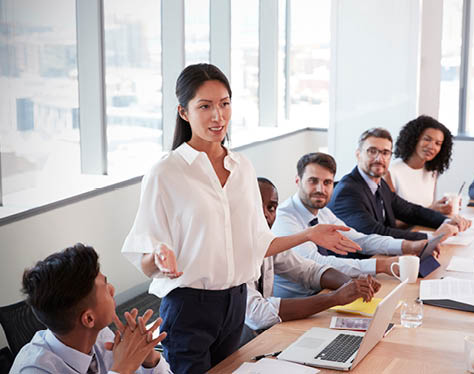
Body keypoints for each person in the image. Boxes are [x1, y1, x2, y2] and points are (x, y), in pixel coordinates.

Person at [120, 63, 360, 373]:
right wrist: (157, 256)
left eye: (224, 104)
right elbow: (145, 261)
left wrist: (309, 235)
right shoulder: (165, 172)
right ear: (184, 112)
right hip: (189, 306)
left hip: (235, 304)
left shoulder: (242, 167)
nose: (217, 116)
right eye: (205, 106)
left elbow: (258, 245)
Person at [272, 152, 439, 298]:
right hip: (298, 305)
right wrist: (380, 265)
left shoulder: (322, 212)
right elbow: (315, 263)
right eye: (313, 181)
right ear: (297, 180)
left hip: (326, 294)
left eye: (327, 183)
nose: (320, 189)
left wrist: (407, 246)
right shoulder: (284, 218)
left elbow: (360, 240)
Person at [241, 177, 380, 343]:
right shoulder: (233, 252)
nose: (265, 214)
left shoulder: (269, 242)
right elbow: (258, 314)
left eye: (271, 208)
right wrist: (334, 298)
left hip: (269, 334)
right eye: (257, 207)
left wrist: (351, 285)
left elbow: (309, 270)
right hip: (242, 341)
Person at [11, 243, 170, 374]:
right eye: (105, 286)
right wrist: (122, 368)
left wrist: (149, 359)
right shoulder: (32, 369)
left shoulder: (101, 336)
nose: (112, 289)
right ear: (88, 319)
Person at [328, 128, 470, 243]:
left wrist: (447, 220)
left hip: (382, 255)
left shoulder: (378, 183)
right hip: (359, 266)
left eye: (385, 153)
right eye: (372, 151)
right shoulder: (348, 192)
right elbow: (377, 233)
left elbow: (411, 211)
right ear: (358, 154)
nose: (379, 158)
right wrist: (433, 237)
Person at [385, 115, 455, 214]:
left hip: (425, 227)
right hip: (405, 229)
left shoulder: (432, 172)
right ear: (414, 139)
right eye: (427, 139)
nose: (432, 147)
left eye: (438, 143)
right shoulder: (390, 172)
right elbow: (392, 219)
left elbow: (427, 206)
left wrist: (440, 207)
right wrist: (430, 211)